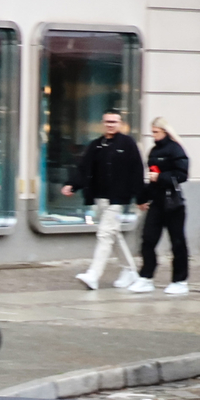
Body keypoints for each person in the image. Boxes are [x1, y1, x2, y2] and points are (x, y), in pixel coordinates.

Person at [64, 109, 144, 291]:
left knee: (104, 234)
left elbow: (137, 170)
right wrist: (72, 185)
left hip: (118, 200)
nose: (110, 125)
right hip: (101, 198)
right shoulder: (96, 145)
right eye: (107, 122)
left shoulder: (128, 143)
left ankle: (94, 275)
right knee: (113, 234)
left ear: (120, 123)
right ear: (103, 123)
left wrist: (141, 197)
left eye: (114, 122)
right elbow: (84, 168)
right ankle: (130, 270)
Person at [135, 119, 191, 295]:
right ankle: (146, 277)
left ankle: (180, 281)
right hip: (157, 202)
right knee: (148, 240)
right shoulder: (153, 151)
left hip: (173, 204)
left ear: (165, 132)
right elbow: (151, 178)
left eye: (156, 132)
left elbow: (182, 175)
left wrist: (160, 178)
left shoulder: (175, 149)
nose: (153, 135)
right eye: (152, 132)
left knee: (177, 242)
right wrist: (142, 198)